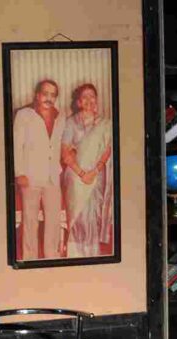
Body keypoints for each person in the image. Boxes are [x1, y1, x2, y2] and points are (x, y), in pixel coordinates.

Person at [13, 79, 64, 260]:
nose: (48, 98)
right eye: (45, 94)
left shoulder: (60, 117)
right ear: (37, 95)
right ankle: (30, 259)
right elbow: (16, 145)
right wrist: (19, 173)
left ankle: (52, 256)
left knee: (53, 221)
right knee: (30, 220)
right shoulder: (24, 115)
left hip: (52, 177)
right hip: (30, 176)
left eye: (53, 95)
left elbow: (60, 145)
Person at [60, 83, 113, 258]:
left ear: (96, 100)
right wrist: (82, 174)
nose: (89, 100)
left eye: (92, 96)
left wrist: (94, 171)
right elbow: (65, 153)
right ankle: (75, 255)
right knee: (78, 218)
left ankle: (92, 254)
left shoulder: (105, 123)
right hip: (75, 176)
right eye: (84, 97)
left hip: (97, 175)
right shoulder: (70, 123)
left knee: (92, 216)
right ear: (78, 102)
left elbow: (107, 151)